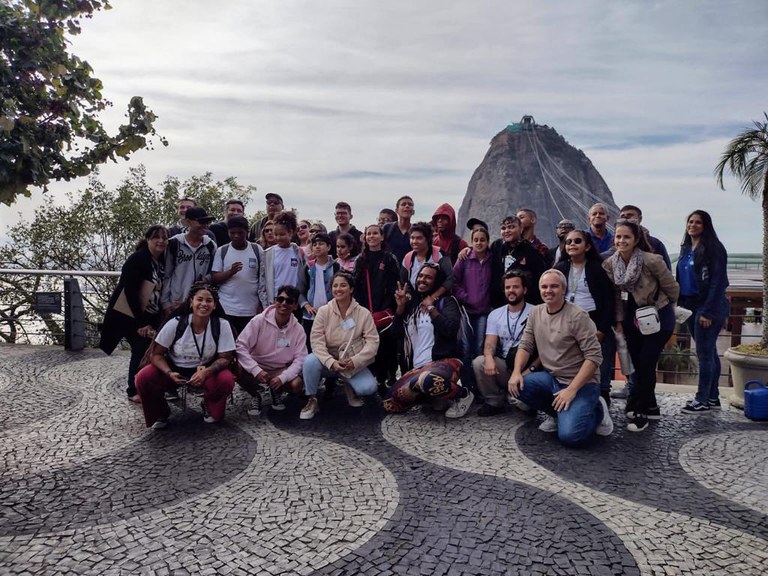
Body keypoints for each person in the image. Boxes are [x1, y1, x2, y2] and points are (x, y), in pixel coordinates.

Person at [508, 270, 613, 446]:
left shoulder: (578, 316)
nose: (548, 290)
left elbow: (594, 357)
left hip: (582, 384)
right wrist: (517, 372)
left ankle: (598, 410)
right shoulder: (536, 313)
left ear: (563, 289)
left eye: (554, 286)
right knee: (520, 386)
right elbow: (526, 345)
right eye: (544, 286)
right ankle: (559, 413)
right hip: (553, 379)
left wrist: (571, 390)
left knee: (571, 436)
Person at [603, 220, 679, 432]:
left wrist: (659, 305)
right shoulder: (611, 264)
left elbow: (673, 289)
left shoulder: (652, 260)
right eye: (618, 236)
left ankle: (641, 411)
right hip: (631, 319)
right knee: (636, 365)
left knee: (646, 364)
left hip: (657, 318)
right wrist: (618, 321)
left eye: (626, 237)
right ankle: (651, 406)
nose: (621, 241)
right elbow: (617, 296)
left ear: (636, 239)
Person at [135, 282, 237, 428]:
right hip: (175, 368)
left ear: (215, 305)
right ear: (191, 302)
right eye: (199, 299)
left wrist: (206, 373)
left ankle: (209, 405)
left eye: (209, 301)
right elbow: (156, 355)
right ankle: (160, 411)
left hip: (206, 370)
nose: (204, 304)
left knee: (226, 379)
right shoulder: (175, 324)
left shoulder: (222, 325)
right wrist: (169, 373)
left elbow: (225, 358)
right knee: (143, 378)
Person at [386, 263, 474, 418]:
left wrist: (432, 309)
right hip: (416, 369)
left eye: (428, 277)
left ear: (437, 281)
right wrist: (400, 309)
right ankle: (432, 396)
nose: (422, 280)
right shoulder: (411, 306)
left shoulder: (447, 302)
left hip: (444, 362)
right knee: (389, 401)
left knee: (426, 380)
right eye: (420, 276)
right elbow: (395, 335)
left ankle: (463, 394)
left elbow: (450, 330)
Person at [99, 225, 168, 403]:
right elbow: (129, 292)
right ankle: (133, 390)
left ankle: (145, 385)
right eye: (156, 237)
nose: (160, 241)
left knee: (147, 349)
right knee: (139, 349)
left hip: (151, 313)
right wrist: (141, 323)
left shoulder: (160, 260)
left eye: (164, 238)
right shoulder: (137, 259)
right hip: (132, 315)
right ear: (147, 239)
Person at [300, 272, 380, 419]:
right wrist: (331, 362)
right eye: (335, 285)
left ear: (351, 289)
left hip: (352, 362)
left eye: (343, 285)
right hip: (328, 362)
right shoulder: (323, 311)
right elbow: (316, 341)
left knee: (368, 388)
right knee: (310, 362)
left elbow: (373, 342)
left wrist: (355, 361)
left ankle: (349, 386)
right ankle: (312, 399)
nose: (338, 289)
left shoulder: (363, 313)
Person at [554, 229, 615, 404]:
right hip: (566, 321)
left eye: (577, 241)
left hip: (593, 321)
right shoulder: (560, 267)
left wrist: (602, 329)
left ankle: (602, 397)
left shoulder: (597, 268)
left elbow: (608, 300)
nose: (572, 244)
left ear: (587, 246)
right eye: (569, 242)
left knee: (598, 361)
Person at [677, 210, 729, 414]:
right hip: (689, 306)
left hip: (708, 307)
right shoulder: (686, 248)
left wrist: (707, 311)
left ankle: (702, 400)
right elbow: (682, 277)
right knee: (708, 353)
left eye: (698, 222)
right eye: (690, 221)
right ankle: (713, 397)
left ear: (705, 225)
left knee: (704, 354)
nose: (693, 225)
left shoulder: (714, 248)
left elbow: (718, 282)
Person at [236, 285, 307, 416]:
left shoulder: (298, 329)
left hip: (280, 369)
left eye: (289, 301)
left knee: (297, 385)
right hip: (257, 366)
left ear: (296, 306)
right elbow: (240, 346)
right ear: (275, 301)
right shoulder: (258, 321)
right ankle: (256, 394)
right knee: (236, 367)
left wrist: (283, 377)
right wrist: (256, 370)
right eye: (280, 299)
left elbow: (301, 358)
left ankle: (276, 390)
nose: (284, 303)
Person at [473, 270, 535, 416]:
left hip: (528, 369)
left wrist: (529, 370)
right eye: (507, 287)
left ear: (524, 289)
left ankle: (521, 397)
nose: (511, 291)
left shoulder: (536, 312)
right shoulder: (496, 314)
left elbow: (544, 351)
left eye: (515, 287)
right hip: (507, 365)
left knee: (524, 405)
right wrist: (488, 358)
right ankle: (494, 401)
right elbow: (490, 343)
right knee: (479, 362)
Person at [353, 223, 401, 390]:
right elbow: (356, 287)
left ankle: (388, 376)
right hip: (365, 311)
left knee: (387, 345)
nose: (372, 236)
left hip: (385, 311)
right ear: (365, 238)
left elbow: (396, 284)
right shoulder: (361, 260)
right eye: (369, 234)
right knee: (369, 345)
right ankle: (372, 378)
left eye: (375, 233)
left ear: (381, 237)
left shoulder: (389, 258)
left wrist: (390, 307)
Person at [211, 216, 269, 334]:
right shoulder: (222, 251)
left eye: (240, 233)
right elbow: (214, 278)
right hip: (226, 308)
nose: (236, 236)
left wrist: (260, 303)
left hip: (251, 309)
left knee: (248, 344)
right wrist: (230, 272)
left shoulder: (256, 249)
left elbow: (263, 278)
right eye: (232, 233)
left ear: (247, 232)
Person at [452, 225, 492, 394]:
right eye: (475, 240)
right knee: (466, 348)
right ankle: (468, 386)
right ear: (471, 242)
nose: (479, 243)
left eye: (482, 240)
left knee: (480, 348)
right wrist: (465, 297)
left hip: (484, 311)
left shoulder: (493, 258)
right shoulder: (465, 259)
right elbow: (453, 282)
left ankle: (481, 387)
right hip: (467, 311)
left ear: (488, 241)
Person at [161, 206, 217, 317]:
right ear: (188, 222)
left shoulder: (210, 245)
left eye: (206, 222)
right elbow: (166, 275)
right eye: (201, 221)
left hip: (199, 305)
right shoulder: (174, 244)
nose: (204, 225)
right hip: (175, 303)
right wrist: (165, 303)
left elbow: (214, 273)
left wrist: (206, 279)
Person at [486, 215, 547, 307]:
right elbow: (481, 255)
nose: (507, 231)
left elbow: (539, 276)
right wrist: (468, 250)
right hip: (498, 303)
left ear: (521, 228)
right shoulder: (496, 246)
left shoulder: (530, 250)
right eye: (503, 228)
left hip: (523, 303)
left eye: (511, 227)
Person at [298, 232, 340, 349]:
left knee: (331, 346)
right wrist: (306, 305)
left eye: (321, 244)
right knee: (311, 346)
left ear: (329, 247)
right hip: (310, 316)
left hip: (332, 315)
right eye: (314, 244)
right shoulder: (308, 267)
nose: (317, 246)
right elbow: (299, 290)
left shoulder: (337, 267)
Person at [400, 221, 454, 300]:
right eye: (412, 238)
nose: (414, 241)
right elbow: (404, 282)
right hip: (415, 302)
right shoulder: (408, 258)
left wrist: (432, 298)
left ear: (428, 239)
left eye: (419, 238)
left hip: (438, 301)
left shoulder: (439, 255)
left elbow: (449, 280)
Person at [264, 211, 306, 303]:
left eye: (282, 234)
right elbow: (263, 281)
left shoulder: (298, 252)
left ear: (290, 233)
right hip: (275, 301)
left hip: (294, 301)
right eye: (276, 234)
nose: (278, 238)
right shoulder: (268, 254)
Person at [383, 195, 415, 263]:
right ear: (396, 210)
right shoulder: (387, 228)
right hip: (389, 269)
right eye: (403, 204)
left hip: (410, 270)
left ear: (413, 212)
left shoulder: (416, 230)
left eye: (410, 204)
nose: (407, 206)